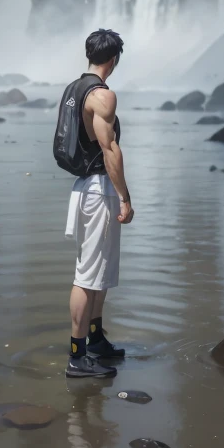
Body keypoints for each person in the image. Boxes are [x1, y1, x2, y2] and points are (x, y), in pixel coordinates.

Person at [64, 28, 134, 379]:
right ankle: (77, 357)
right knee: (87, 275)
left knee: (99, 271)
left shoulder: (74, 89)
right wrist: (125, 197)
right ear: (113, 59)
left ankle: (94, 341)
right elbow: (109, 149)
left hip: (84, 187)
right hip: (98, 189)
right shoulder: (103, 96)